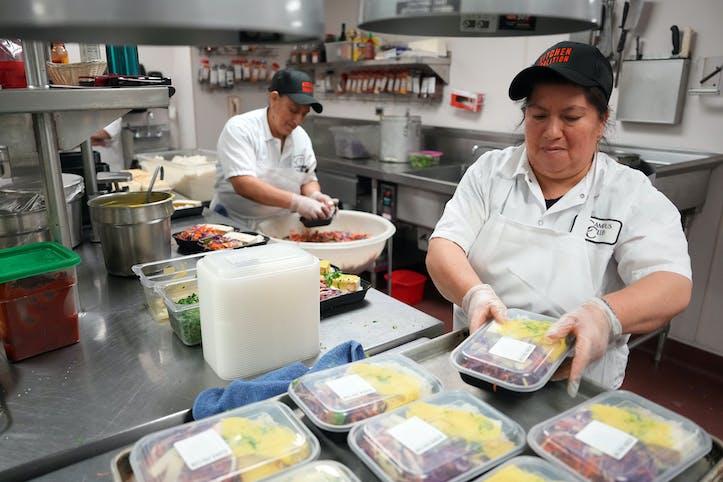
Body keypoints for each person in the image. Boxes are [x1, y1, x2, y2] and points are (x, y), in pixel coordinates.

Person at [426, 42, 692, 397]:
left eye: (571, 116)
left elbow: (672, 284)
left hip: (575, 382)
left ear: (602, 122)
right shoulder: (491, 172)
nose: (552, 131)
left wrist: (603, 316)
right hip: (478, 367)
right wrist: (474, 296)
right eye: (538, 116)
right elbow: (444, 247)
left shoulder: (629, 194)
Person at [210, 68, 335, 229]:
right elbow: (244, 184)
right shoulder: (240, 128)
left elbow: (307, 179)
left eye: (304, 114)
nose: (298, 120)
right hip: (233, 224)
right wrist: (297, 202)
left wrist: (314, 195)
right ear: (274, 98)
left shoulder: (301, 138)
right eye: (293, 110)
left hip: (280, 227)